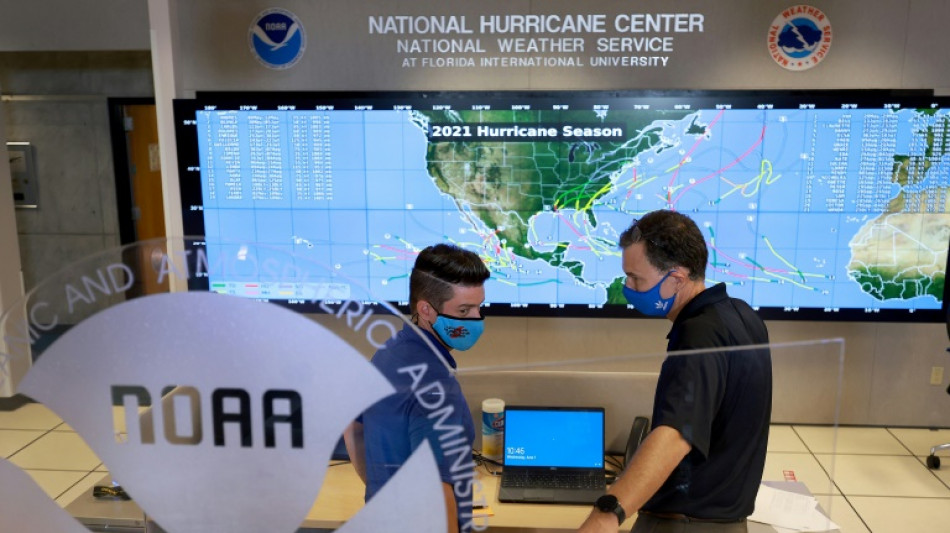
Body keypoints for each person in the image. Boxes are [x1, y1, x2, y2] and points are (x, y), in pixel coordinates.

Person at [580, 210, 772, 533]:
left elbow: (675, 435)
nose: (628, 287)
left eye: (636, 278)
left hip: (684, 523)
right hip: (728, 521)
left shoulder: (699, 335)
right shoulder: (743, 316)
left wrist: (605, 515)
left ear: (677, 279)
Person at [345, 243, 490, 533]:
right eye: (464, 310)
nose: (476, 319)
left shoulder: (389, 353)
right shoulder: (437, 388)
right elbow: (437, 491)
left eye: (479, 307)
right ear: (426, 310)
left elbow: (353, 428)